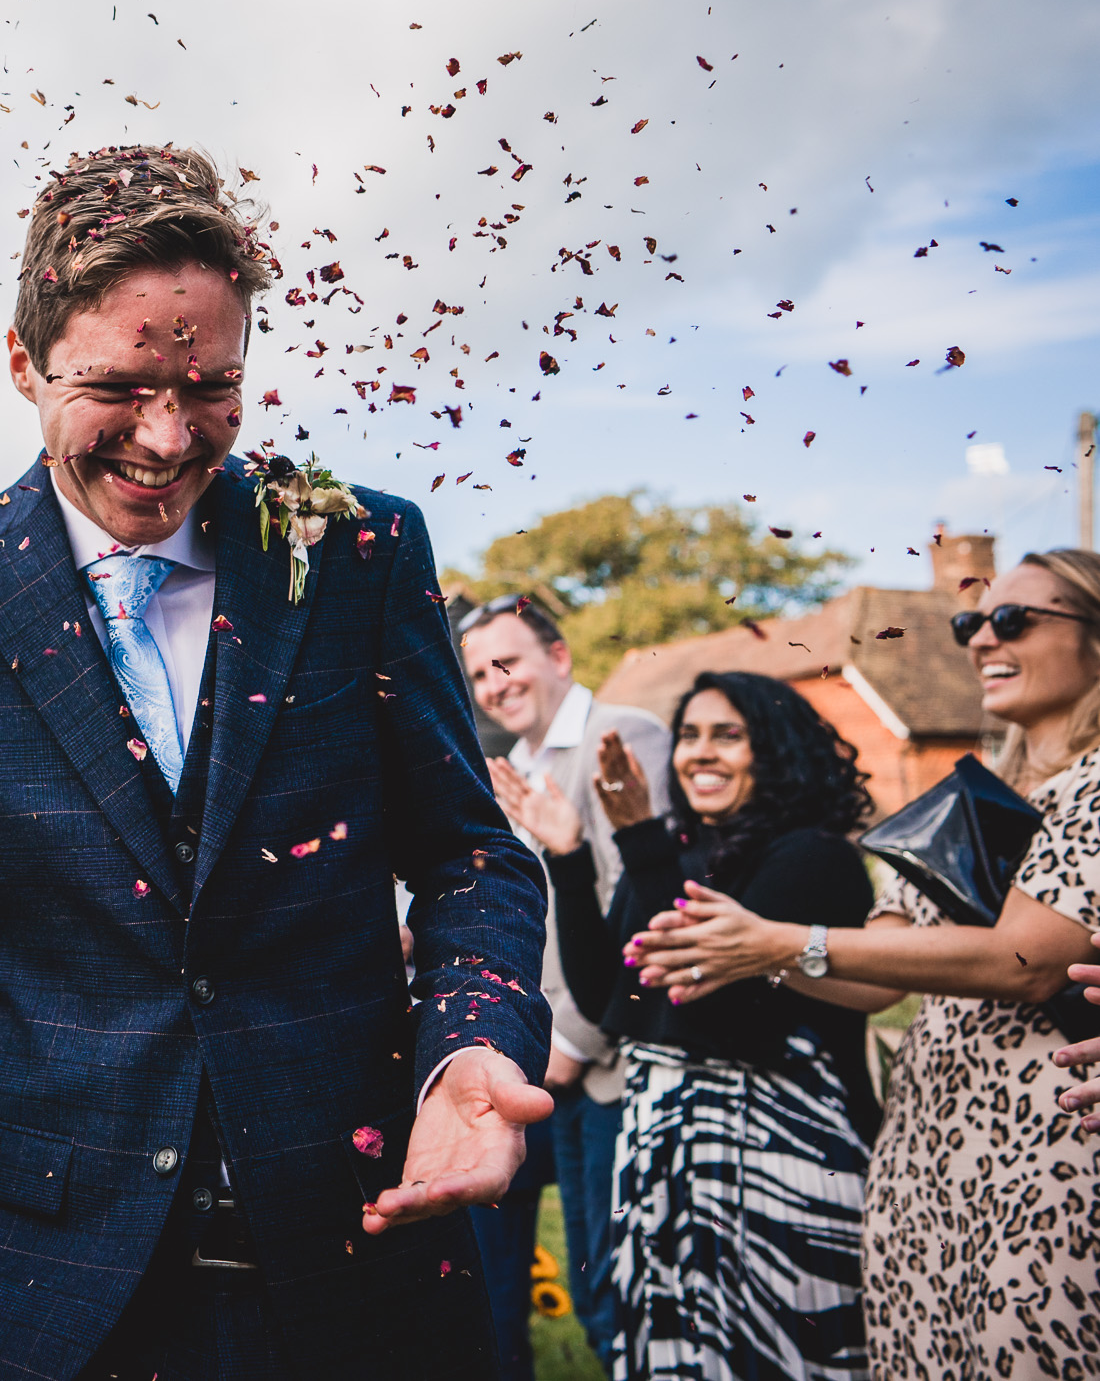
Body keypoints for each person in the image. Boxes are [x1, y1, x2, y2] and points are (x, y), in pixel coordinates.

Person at [0, 145, 552, 1381]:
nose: (170, 436)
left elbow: (467, 853)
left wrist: (473, 1043)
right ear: (23, 362)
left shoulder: (359, 550)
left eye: (212, 385)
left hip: (360, 1253)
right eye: (121, 385)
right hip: (42, 1279)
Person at [632, 550, 1100, 1379]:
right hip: (929, 1146)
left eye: (1015, 620)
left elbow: (1025, 959)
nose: (983, 637)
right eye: (972, 622)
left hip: (1051, 1148)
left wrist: (782, 942)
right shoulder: (974, 794)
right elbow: (884, 975)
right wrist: (748, 949)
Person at [521, 670, 877, 1378]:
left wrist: (640, 841)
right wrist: (569, 855)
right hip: (668, 1157)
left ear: (774, 749)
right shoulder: (678, 850)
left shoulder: (811, 856)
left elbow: (706, 1009)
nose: (699, 753)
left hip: (780, 1169)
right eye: (689, 735)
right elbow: (609, 998)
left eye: (727, 735)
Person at [462, 594, 672, 1377]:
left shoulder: (622, 737)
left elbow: (642, 901)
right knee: (493, 1259)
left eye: (507, 661)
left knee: (611, 1291)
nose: (493, 683)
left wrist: (576, 1043)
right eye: (480, 672)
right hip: (528, 1056)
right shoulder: (520, 767)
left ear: (559, 657)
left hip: (597, 1060)